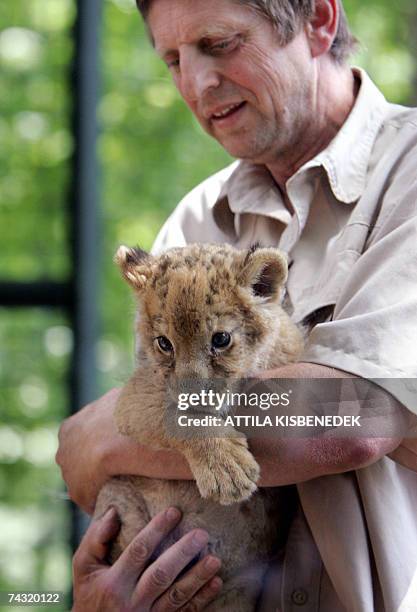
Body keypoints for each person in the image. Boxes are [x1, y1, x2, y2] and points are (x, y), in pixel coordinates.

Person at [56, 0, 417, 609]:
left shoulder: (407, 174)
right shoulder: (194, 219)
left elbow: (355, 415)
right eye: (172, 59)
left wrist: (102, 431)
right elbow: (129, 466)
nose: (195, 84)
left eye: (219, 43)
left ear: (319, 20)